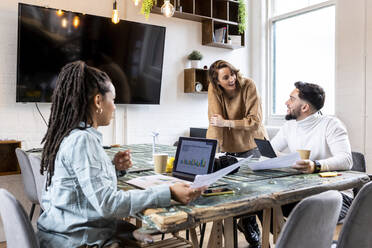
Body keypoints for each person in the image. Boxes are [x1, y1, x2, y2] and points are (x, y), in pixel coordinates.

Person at [37, 61, 205, 248]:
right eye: (113, 100)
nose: (115, 107)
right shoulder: (82, 141)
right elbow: (108, 203)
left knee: (137, 232)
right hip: (78, 241)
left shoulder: (69, 135)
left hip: (62, 235)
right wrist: (169, 192)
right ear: (98, 101)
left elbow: (80, 187)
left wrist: (112, 168)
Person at [207, 60, 267, 248]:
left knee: (255, 192)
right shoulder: (214, 88)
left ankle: (254, 227)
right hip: (229, 145)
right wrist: (213, 152)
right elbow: (215, 121)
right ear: (217, 82)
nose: (232, 78)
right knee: (233, 194)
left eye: (232, 73)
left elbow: (254, 121)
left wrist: (228, 123)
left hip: (252, 143)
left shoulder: (248, 85)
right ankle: (243, 225)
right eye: (226, 77)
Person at [271, 81, 353, 220]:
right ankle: (289, 241)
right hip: (301, 191)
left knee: (303, 216)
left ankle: (298, 240)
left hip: (335, 194)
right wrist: (286, 159)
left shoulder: (331, 124)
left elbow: (346, 160)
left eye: (291, 99)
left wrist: (314, 166)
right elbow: (271, 151)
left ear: (304, 107)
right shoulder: (289, 126)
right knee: (265, 206)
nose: (286, 103)